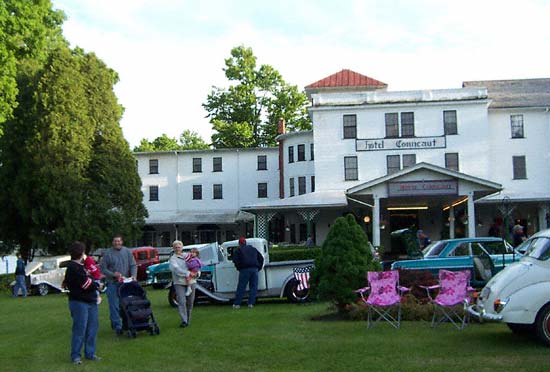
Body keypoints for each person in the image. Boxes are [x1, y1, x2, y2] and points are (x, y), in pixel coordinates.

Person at [64, 241, 101, 365]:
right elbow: (86, 284)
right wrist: (96, 284)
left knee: (92, 328)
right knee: (80, 329)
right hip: (79, 302)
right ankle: (76, 355)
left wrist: (91, 279)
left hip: (91, 301)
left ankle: (90, 353)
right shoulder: (74, 268)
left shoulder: (81, 267)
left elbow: (88, 279)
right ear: (81, 253)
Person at [99, 235, 137, 335]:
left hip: (125, 283)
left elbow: (133, 265)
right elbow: (103, 269)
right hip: (112, 283)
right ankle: (117, 326)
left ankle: (126, 323)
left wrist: (133, 276)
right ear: (112, 242)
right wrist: (113, 274)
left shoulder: (127, 252)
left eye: (119, 241)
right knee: (114, 306)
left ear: (122, 242)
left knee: (124, 304)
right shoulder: (108, 254)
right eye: (115, 241)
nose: (117, 243)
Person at [169, 240, 198, 328]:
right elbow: (176, 270)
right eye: (176, 247)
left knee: (190, 302)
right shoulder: (172, 259)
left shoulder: (188, 255)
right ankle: (184, 320)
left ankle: (188, 319)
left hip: (191, 281)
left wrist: (197, 273)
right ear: (173, 248)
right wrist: (188, 273)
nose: (178, 249)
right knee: (182, 301)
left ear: (182, 247)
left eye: (179, 247)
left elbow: (196, 264)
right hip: (179, 282)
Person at [232, 237, 264, 309]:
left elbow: (235, 260)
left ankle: (237, 304)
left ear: (239, 243)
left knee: (241, 287)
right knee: (253, 287)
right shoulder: (253, 249)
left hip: (244, 270)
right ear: (245, 243)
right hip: (254, 269)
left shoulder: (238, 250)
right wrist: (259, 267)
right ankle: (251, 303)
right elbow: (261, 258)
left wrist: (239, 268)